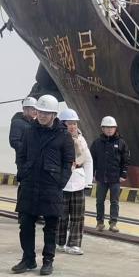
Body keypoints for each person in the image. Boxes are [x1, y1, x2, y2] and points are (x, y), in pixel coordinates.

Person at [12, 94, 74, 276]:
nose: (42, 115)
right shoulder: (29, 131)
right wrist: (23, 172)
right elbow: (21, 154)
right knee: (25, 224)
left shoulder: (64, 135)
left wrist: (60, 182)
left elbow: (68, 162)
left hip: (51, 186)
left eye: (46, 113)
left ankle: (48, 261)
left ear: (54, 114)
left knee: (51, 226)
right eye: (39, 112)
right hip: (30, 183)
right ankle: (28, 259)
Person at [57, 108, 93, 255]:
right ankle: (59, 242)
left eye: (74, 123)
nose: (72, 126)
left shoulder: (81, 140)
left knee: (78, 216)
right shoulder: (57, 139)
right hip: (62, 183)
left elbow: (88, 160)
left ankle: (74, 244)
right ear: (62, 124)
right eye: (69, 123)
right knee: (61, 215)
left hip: (78, 181)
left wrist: (88, 183)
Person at [90, 116, 130, 232]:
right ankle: (100, 223)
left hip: (115, 178)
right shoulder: (97, 143)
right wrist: (91, 174)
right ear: (102, 128)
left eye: (111, 127)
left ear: (115, 128)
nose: (109, 129)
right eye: (107, 127)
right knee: (99, 201)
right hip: (101, 178)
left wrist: (123, 174)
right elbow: (92, 160)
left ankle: (113, 223)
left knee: (114, 201)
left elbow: (125, 160)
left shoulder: (121, 143)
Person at [8, 96, 37, 163]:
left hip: (33, 159)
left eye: (36, 109)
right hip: (23, 160)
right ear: (25, 109)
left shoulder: (33, 123)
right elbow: (14, 142)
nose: (35, 111)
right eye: (33, 109)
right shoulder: (17, 122)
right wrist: (29, 150)